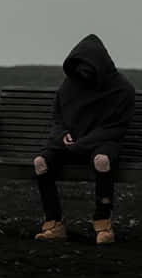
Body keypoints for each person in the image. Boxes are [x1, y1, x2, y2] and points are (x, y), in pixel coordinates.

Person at [32, 34, 136, 245]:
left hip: (102, 142)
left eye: (88, 68)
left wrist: (84, 143)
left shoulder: (121, 89)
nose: (83, 73)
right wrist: (63, 136)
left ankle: (103, 223)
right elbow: (58, 119)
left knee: (102, 161)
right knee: (40, 163)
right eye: (79, 68)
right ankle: (54, 223)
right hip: (70, 144)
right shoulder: (69, 86)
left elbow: (114, 128)